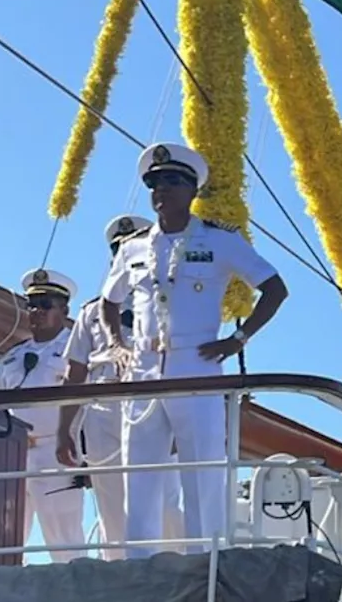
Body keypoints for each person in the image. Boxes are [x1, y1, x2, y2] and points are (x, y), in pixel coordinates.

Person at [101, 142, 289, 558]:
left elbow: (275, 289)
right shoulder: (133, 248)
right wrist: (118, 345)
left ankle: (206, 568)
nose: (160, 191)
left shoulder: (219, 241)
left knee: (202, 475)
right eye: (155, 183)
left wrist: (237, 340)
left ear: (191, 190)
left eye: (171, 181)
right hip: (144, 368)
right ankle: (139, 571)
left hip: (198, 364)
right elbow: (108, 301)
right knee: (141, 477)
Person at [56, 214, 184, 560]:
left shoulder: (168, 300)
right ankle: (121, 586)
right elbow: (75, 372)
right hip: (101, 411)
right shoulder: (91, 312)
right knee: (112, 509)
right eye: (118, 249)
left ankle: (179, 576)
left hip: (152, 405)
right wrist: (64, 428)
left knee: (165, 503)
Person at [0, 268, 87, 564]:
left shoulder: (76, 351)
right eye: (31, 304)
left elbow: (89, 405)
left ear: (64, 310)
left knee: (65, 540)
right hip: (13, 453)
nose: (36, 311)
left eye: (46, 305)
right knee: (5, 539)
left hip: (57, 454)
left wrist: (88, 456)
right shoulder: (14, 355)